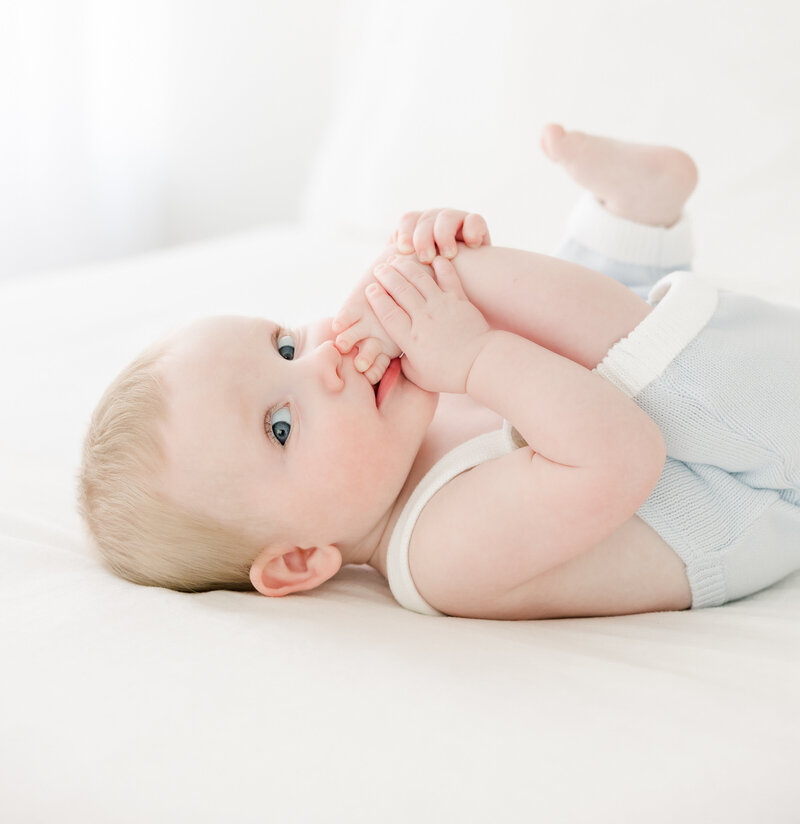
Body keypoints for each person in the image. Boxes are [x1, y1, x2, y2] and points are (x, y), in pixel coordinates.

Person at [78, 125, 800, 619]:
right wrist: (473, 346)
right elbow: (623, 451)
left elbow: (565, 367)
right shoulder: (441, 553)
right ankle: (631, 233)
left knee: (537, 336)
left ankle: (633, 221)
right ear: (299, 559)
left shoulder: (393, 429)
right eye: (281, 425)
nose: (327, 363)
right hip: (754, 488)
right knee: (542, 343)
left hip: (696, 443)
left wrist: (427, 276)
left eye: (286, 347)